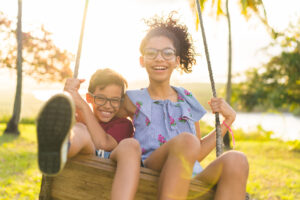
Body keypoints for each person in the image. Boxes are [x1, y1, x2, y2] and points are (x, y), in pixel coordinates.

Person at [117, 13, 249, 200]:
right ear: (142, 60)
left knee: (237, 159)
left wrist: (229, 120)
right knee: (187, 140)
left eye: (167, 53)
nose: (159, 58)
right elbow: (103, 116)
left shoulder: (187, 99)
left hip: (191, 173)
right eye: (151, 53)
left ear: (177, 61)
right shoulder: (133, 99)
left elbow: (196, 152)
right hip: (152, 166)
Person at [36, 68, 141, 200]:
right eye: (101, 98)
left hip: (106, 163)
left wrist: (83, 106)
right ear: (89, 98)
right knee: (79, 130)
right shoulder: (80, 117)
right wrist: (69, 95)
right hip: (83, 160)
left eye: (115, 100)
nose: (108, 106)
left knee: (82, 129)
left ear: (121, 102)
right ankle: (58, 146)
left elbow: (103, 144)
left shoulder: (123, 124)